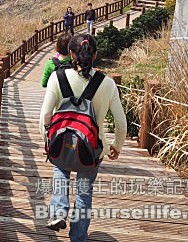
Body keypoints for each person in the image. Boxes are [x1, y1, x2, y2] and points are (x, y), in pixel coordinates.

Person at [39, 34, 126, 241]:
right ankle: (78, 238)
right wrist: (116, 145)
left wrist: (47, 141)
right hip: (93, 149)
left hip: (62, 143)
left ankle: (59, 212)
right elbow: (121, 123)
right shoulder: (107, 83)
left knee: (61, 171)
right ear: (94, 55)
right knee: (84, 192)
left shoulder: (57, 78)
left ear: (70, 54)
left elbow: (45, 115)